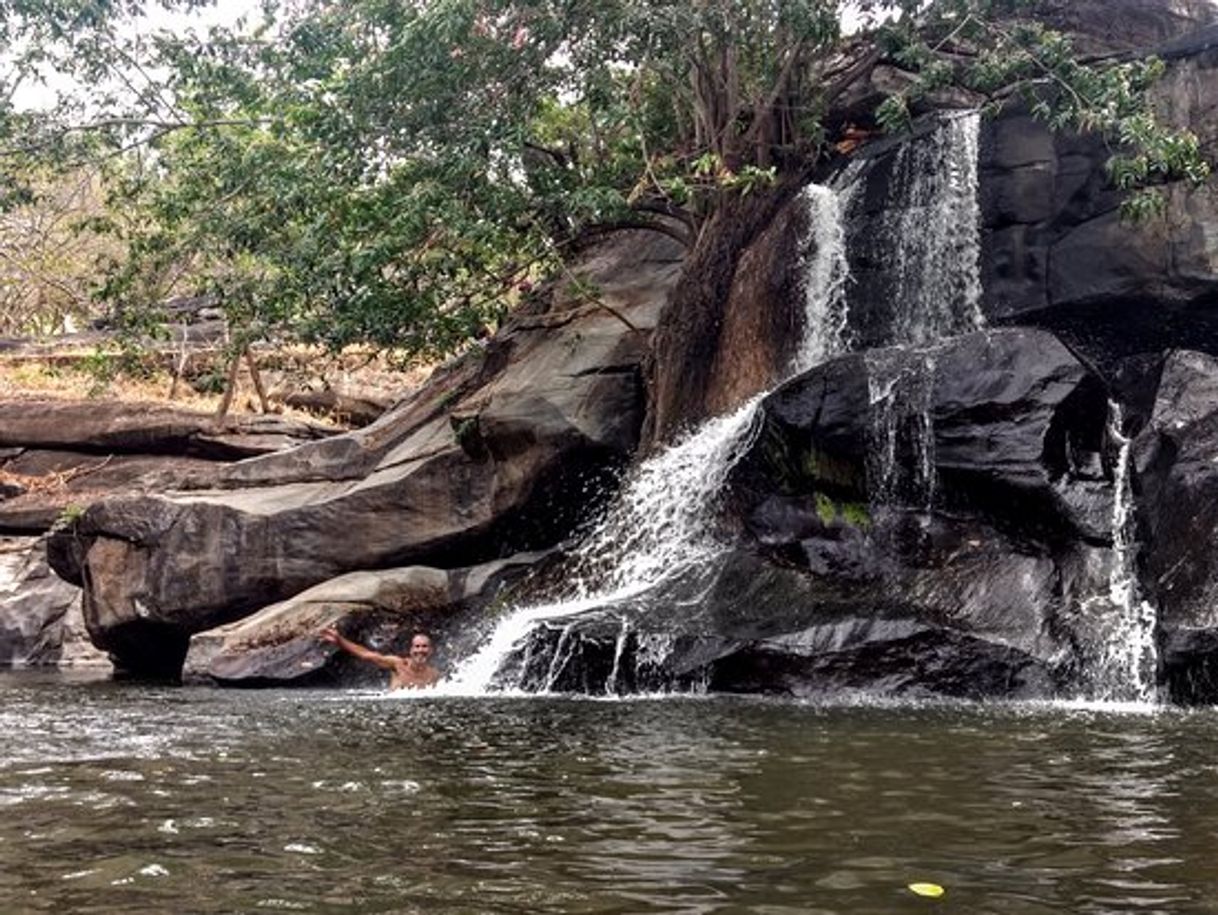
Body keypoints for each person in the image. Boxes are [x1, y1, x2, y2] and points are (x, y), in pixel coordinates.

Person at [320, 626, 442, 690]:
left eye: (424, 647)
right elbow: (366, 655)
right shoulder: (398, 664)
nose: (420, 650)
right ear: (411, 650)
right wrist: (340, 640)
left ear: (431, 651)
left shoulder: (434, 675)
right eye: (417, 646)